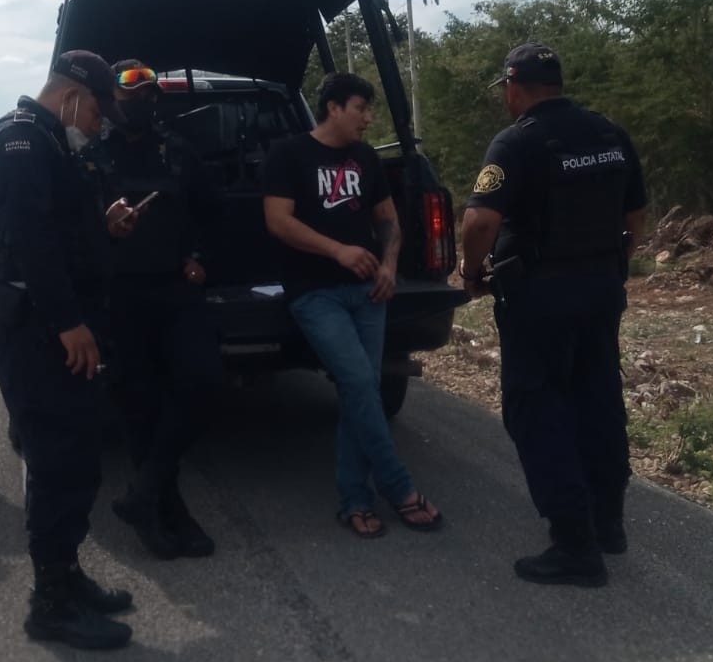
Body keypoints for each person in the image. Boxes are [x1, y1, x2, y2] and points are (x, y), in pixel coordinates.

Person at [458, 43, 647, 587]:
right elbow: (636, 216)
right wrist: (612, 262)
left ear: (514, 88)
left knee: (536, 408)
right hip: (601, 288)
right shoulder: (610, 134)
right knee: (597, 398)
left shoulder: (518, 141)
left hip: (539, 296)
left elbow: (478, 222)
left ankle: (573, 545)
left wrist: (472, 275)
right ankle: (608, 524)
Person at [0, 51, 141, 650]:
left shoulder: (53, 142)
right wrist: (69, 321)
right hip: (37, 327)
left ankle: (68, 575)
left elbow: (63, 227)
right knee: (55, 460)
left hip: (57, 321)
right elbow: (29, 238)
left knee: (78, 454)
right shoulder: (20, 141)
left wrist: (104, 224)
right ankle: (50, 603)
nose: (98, 124)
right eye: (96, 110)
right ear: (71, 96)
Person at [263, 71, 444, 539]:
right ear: (333, 108)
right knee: (361, 380)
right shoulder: (289, 154)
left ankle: (355, 499)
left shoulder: (365, 158)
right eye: (360, 108)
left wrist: (388, 265)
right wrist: (337, 250)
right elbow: (278, 222)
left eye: (369, 109)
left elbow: (388, 219)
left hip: (369, 293)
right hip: (315, 292)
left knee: (357, 391)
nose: (368, 118)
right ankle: (398, 486)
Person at [101, 61, 225, 560]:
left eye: (149, 94)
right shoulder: (92, 155)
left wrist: (202, 259)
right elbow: (68, 227)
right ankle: (163, 511)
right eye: (130, 95)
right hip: (120, 298)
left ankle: (144, 489)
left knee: (203, 384)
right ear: (112, 99)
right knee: (140, 408)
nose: (141, 103)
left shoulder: (177, 150)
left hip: (176, 292)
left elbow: (213, 213)